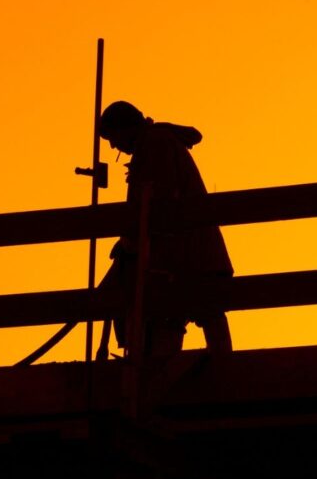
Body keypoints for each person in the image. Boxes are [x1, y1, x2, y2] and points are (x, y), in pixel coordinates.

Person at [99, 100, 233, 360]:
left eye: (113, 138)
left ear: (125, 127)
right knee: (190, 310)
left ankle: (218, 371)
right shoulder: (155, 143)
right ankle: (214, 368)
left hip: (187, 253)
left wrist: (131, 242)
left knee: (189, 310)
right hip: (186, 252)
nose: (114, 147)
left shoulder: (155, 145)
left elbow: (157, 205)